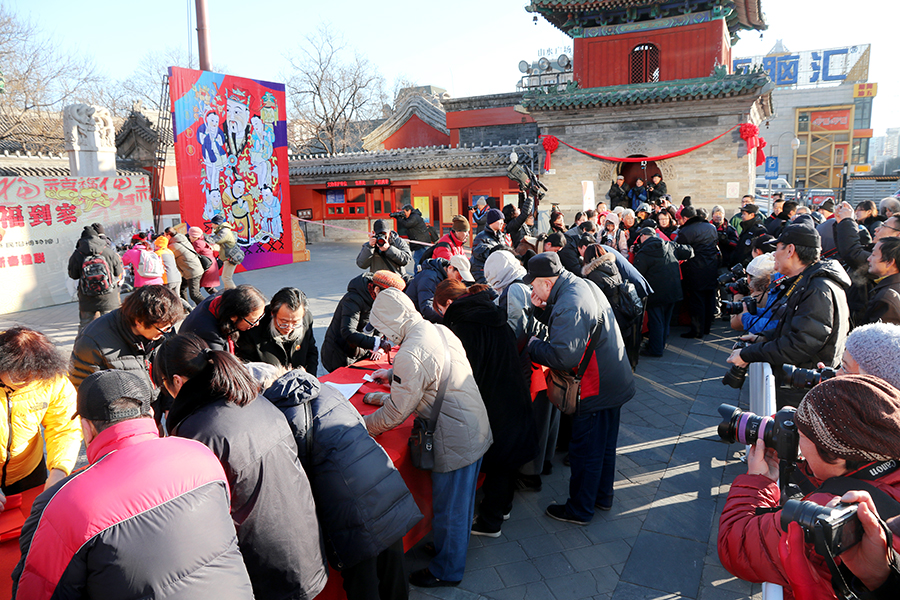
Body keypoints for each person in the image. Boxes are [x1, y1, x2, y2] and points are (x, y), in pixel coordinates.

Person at [12, 369, 254, 599]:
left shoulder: (66, 502)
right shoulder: (200, 454)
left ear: (86, 428)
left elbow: (38, 592)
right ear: (150, 412)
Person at [154, 334, 328, 600]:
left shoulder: (195, 432)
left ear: (176, 381)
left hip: (265, 566)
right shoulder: (253, 399)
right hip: (307, 547)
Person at [718, 375, 900, 600]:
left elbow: (736, 545)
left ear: (835, 454)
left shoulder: (830, 510)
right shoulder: (885, 453)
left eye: (802, 435)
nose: (797, 441)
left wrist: (758, 480)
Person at [363, 288, 492, 588]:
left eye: (383, 328)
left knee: (451, 509)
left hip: (455, 437)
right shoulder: (437, 329)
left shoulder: (410, 352)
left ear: (391, 322)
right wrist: (392, 376)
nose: (384, 335)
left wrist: (361, 426)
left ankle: (447, 570)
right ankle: (451, 548)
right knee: (460, 503)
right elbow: (429, 373)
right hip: (472, 425)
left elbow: (396, 413)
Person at [260, 367, 422, 600]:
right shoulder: (325, 390)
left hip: (349, 505)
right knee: (393, 569)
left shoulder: (278, 415)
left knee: (364, 582)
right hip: (382, 483)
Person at [523, 252, 635, 524]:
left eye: (533, 284)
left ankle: (580, 509)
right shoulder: (578, 285)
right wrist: (542, 309)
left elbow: (564, 356)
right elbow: (574, 327)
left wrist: (533, 345)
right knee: (604, 446)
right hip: (614, 380)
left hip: (596, 386)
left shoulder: (570, 301)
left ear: (547, 283)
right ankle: (602, 497)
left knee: (586, 451)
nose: (531, 290)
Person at [433, 281, 537, 537]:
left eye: (440, 310)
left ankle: (491, 521)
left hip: (495, 399)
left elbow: (466, 373)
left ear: (448, 304)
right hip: (513, 392)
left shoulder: (465, 325)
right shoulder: (491, 313)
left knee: (500, 459)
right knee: (508, 457)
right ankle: (503, 508)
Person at [728, 224, 851, 407]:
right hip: (799, 381)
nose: (773, 255)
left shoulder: (817, 288)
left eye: (777, 248)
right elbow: (800, 329)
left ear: (790, 250)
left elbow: (800, 344)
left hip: (801, 387)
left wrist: (748, 354)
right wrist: (764, 337)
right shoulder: (810, 282)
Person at [0, 328, 81, 497]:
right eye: (20, 376)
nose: (28, 382)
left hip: (27, 467)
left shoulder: (50, 378)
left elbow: (65, 428)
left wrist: (59, 471)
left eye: (34, 375)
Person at [69, 285, 183, 390]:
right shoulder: (91, 342)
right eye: (164, 329)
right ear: (139, 322)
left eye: (170, 326)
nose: (167, 331)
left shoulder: (161, 327)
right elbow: (86, 393)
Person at [321, 271, 406, 372]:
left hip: (361, 351)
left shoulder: (379, 298)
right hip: (340, 354)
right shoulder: (353, 299)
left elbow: (380, 323)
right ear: (377, 290)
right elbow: (348, 331)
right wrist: (376, 342)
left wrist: (378, 346)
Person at [634, 228, 693, 356]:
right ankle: (660, 344)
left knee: (656, 322)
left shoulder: (643, 253)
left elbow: (637, 275)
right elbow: (689, 251)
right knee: (665, 320)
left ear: (644, 236)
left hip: (655, 293)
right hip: (673, 291)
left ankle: (656, 349)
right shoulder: (670, 245)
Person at [236, 287, 319, 373]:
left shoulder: (306, 318)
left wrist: (310, 376)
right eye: (284, 322)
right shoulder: (254, 327)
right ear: (272, 313)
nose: (289, 327)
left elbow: (311, 351)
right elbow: (246, 363)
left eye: (295, 322)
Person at [68, 224, 124, 333]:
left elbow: (73, 275)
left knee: (85, 325)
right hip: (109, 296)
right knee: (113, 324)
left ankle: (83, 343)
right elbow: (118, 272)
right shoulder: (108, 251)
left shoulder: (77, 253)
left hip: (87, 298)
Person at [180, 284, 266, 354]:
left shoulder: (221, 301)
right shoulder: (210, 335)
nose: (257, 324)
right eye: (252, 321)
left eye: (260, 317)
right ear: (233, 316)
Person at [677, 206, 721, 339]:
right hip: (711, 268)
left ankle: (697, 330)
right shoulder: (710, 227)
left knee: (697, 301)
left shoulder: (686, 231)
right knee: (709, 298)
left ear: (685, 218)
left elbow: (680, 251)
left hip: (695, 269)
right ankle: (707, 327)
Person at [404, 255, 474, 323]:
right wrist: (448, 320)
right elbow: (426, 307)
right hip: (413, 318)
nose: (459, 281)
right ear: (450, 268)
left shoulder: (445, 278)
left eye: (462, 278)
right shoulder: (429, 277)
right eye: (458, 277)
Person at [729, 252, 783, 335]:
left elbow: (735, 324)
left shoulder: (757, 297)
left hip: (761, 339)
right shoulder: (779, 293)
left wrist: (737, 294)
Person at [164, 227, 206, 306]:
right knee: (182, 288)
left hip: (192, 271)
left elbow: (166, 255)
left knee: (195, 295)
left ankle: (209, 307)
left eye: (165, 235)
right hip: (193, 268)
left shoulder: (174, 246)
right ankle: (187, 309)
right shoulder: (182, 238)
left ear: (168, 235)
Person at [863, 237, 900, 325]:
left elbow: (880, 334)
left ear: (889, 262)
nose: (869, 259)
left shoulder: (885, 299)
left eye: (873, 255)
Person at [471, 208, 512, 283]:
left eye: (503, 220)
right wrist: (493, 250)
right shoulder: (481, 237)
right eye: (500, 220)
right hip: (484, 275)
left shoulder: (501, 236)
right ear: (492, 221)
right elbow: (477, 255)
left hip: (497, 274)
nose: (502, 223)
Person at [207, 214, 243, 289]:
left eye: (212, 224)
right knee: (225, 277)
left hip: (230, 257)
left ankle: (234, 294)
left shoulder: (224, 232)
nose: (212, 226)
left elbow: (214, 240)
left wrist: (203, 237)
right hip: (229, 257)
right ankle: (228, 292)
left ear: (217, 224)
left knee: (226, 278)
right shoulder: (223, 230)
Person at [189, 225, 221, 294]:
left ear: (195, 236)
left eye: (190, 235)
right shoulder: (203, 239)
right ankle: (221, 298)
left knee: (197, 290)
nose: (189, 237)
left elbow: (192, 255)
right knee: (208, 288)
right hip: (211, 265)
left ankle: (221, 298)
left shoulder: (197, 243)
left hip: (207, 267)